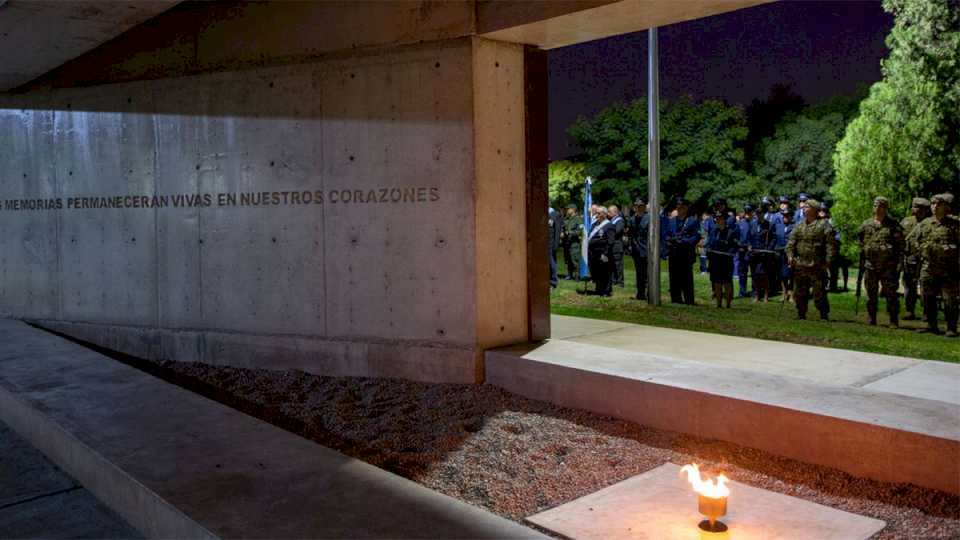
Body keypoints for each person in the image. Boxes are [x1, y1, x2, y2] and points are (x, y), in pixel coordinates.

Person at [908, 193, 959, 336]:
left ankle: (951, 327)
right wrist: (921, 250)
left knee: (949, 299)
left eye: (938, 204)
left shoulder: (954, 225)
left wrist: (951, 249)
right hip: (928, 268)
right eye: (932, 204)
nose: (934, 207)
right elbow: (912, 242)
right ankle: (931, 325)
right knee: (927, 297)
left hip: (949, 269)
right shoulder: (924, 224)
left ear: (945, 207)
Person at [857, 197, 905, 327]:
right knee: (871, 294)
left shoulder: (894, 225)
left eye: (881, 206)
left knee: (891, 294)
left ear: (886, 208)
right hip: (870, 265)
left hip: (888, 266)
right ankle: (871, 318)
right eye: (875, 205)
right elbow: (860, 242)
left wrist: (898, 264)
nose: (877, 208)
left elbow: (900, 246)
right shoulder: (866, 224)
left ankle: (893, 320)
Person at [786, 199, 834, 320]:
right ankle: (801, 313)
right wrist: (790, 256)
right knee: (800, 292)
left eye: (807, 207)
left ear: (814, 210)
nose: (804, 208)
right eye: (804, 206)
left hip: (817, 265)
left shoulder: (823, 225)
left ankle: (823, 314)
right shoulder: (799, 225)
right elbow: (791, 243)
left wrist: (828, 261)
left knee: (819, 293)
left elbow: (830, 245)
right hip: (800, 264)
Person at [662, 198, 700, 304]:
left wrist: (684, 241)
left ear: (687, 208)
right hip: (674, 252)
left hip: (686, 253)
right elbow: (666, 234)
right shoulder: (671, 220)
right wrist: (669, 240)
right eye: (678, 207)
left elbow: (696, 237)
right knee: (674, 276)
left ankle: (689, 300)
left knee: (686, 277)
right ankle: (676, 299)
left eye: (682, 207)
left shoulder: (692, 220)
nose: (679, 209)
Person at [901, 197, 931, 320]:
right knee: (909, 286)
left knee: (926, 287)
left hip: (926, 260)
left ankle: (927, 313)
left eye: (921, 208)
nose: (917, 210)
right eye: (915, 207)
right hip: (910, 258)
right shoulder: (906, 222)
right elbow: (899, 238)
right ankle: (909, 311)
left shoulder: (930, 222)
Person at [706, 211, 737, 308]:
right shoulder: (713, 231)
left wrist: (730, 252)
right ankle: (718, 304)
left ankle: (728, 304)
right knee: (717, 283)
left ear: (724, 220)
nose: (719, 221)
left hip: (726, 261)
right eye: (717, 219)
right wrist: (708, 249)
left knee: (727, 282)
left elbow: (734, 246)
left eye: (721, 219)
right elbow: (710, 243)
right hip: (715, 260)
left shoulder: (730, 232)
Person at [751, 204, 777, 302]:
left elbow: (774, 238)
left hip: (765, 253)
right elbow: (751, 236)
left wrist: (769, 248)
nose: (758, 215)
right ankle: (757, 295)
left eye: (760, 213)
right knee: (756, 275)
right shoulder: (753, 224)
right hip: (754, 253)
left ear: (763, 214)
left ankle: (766, 295)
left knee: (765, 275)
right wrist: (750, 246)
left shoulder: (769, 224)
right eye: (757, 213)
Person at [588, 206, 615, 296]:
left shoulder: (609, 225)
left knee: (605, 272)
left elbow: (610, 242)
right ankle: (599, 289)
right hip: (594, 253)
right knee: (597, 272)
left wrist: (605, 254)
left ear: (604, 214)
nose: (597, 215)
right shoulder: (595, 224)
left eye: (599, 213)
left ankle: (606, 291)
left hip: (603, 253)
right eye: (596, 213)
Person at [628, 198, 650, 300]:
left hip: (647, 249)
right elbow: (631, 234)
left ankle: (650, 293)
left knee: (648, 273)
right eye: (636, 206)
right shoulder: (632, 219)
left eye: (640, 206)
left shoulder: (649, 218)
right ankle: (640, 293)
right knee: (639, 273)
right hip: (636, 249)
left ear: (644, 207)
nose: (638, 208)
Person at [736, 204, 755, 298]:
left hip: (752, 251)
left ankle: (754, 291)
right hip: (742, 251)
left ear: (752, 213)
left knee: (754, 272)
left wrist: (752, 246)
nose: (747, 214)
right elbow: (737, 237)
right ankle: (742, 291)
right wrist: (739, 245)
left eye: (749, 212)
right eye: (746, 212)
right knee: (742, 272)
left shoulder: (755, 223)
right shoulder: (740, 223)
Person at [778, 209, 795, 301]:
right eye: (784, 215)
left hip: (790, 254)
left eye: (787, 215)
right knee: (782, 275)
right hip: (780, 254)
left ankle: (791, 294)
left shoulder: (794, 226)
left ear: (791, 216)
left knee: (791, 275)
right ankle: (784, 293)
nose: (785, 217)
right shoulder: (779, 226)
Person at [561, 204, 582, 280]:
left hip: (574, 243)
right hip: (566, 243)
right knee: (568, 259)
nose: (567, 210)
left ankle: (577, 275)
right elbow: (563, 228)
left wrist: (570, 232)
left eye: (568, 209)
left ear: (573, 209)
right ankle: (569, 274)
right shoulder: (567, 219)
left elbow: (580, 231)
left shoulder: (578, 219)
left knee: (575, 260)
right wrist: (562, 233)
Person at [608, 205, 626, 286]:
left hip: (617, 246)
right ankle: (613, 280)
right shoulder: (611, 220)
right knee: (612, 264)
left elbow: (617, 231)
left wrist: (609, 233)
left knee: (618, 264)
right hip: (612, 245)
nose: (608, 213)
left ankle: (620, 281)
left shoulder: (620, 221)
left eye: (610, 212)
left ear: (615, 212)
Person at [548, 204, 562, 288]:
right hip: (546, 243)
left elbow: (557, 230)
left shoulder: (554, 214)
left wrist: (556, 244)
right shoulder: (547, 214)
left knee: (551, 262)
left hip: (551, 243)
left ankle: (553, 282)